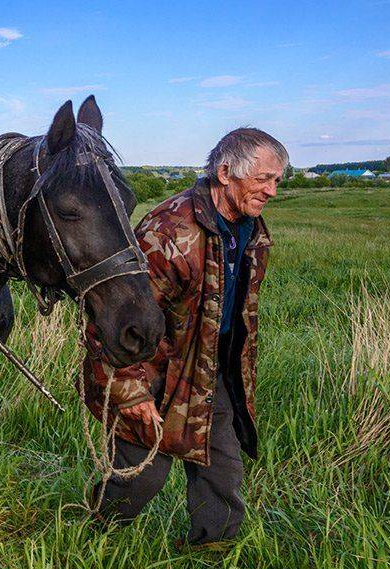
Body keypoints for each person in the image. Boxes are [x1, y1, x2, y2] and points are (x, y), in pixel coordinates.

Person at [82, 127, 287, 546]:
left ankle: (213, 552)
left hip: (212, 369)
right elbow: (115, 317)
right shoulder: (168, 231)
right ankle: (93, 538)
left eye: (277, 180)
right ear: (226, 172)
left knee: (223, 470)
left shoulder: (252, 229)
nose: (272, 191)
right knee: (141, 476)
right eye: (264, 178)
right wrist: (130, 391)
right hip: (154, 373)